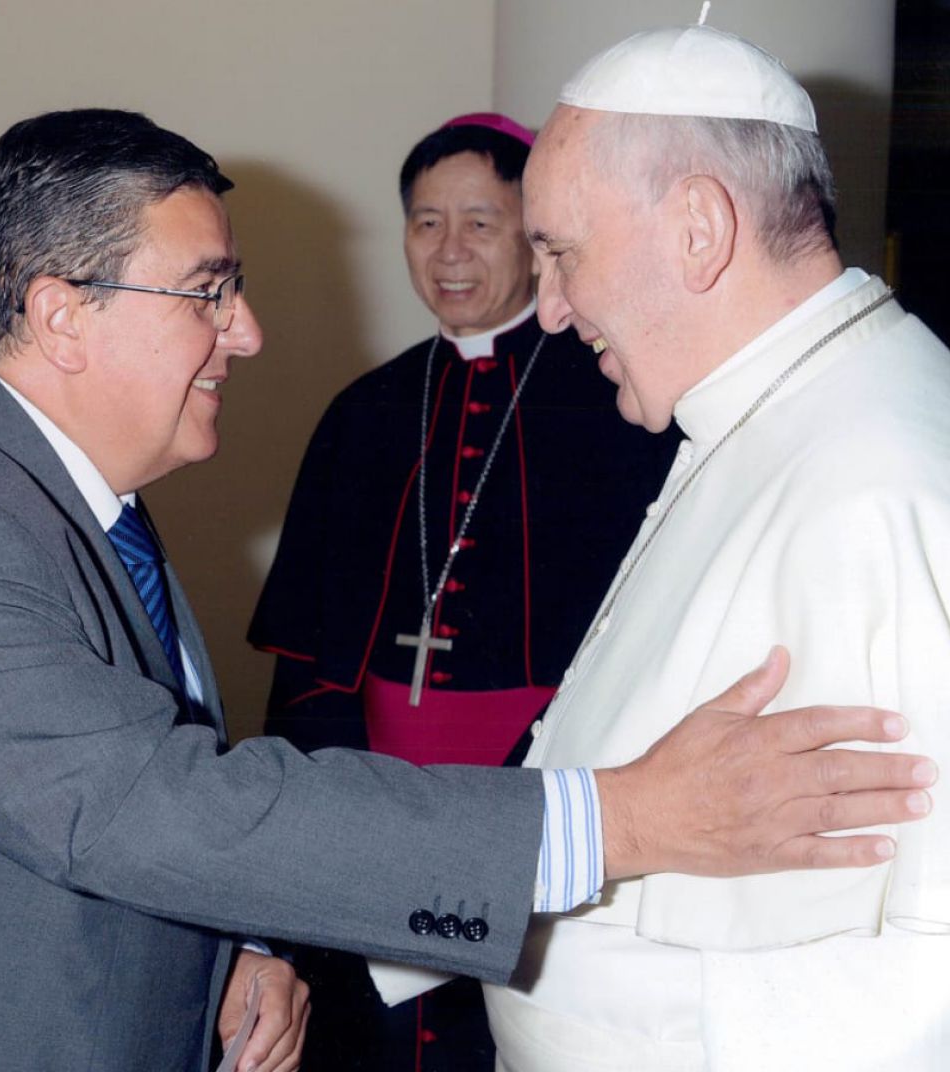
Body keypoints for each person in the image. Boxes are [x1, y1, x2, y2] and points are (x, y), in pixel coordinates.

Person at [0, 107, 938, 1072]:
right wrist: (616, 820)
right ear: (61, 315)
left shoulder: (49, 490)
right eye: (207, 291)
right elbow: (142, 805)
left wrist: (242, 944)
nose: (247, 332)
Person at [482, 23, 950, 1071]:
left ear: (696, 228)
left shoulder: (878, 492)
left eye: (559, 251)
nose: (546, 309)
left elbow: (900, 1000)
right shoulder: (794, 407)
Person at [248, 112, 675, 1070]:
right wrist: (340, 821)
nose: (449, 251)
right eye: (425, 222)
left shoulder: (619, 402)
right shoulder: (365, 413)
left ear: (536, 234)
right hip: (378, 814)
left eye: (481, 223)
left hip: (551, 815)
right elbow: (307, 666)